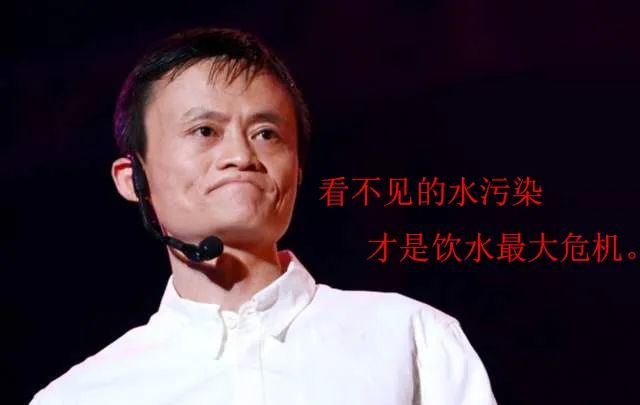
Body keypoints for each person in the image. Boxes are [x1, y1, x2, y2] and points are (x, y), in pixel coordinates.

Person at [30, 27, 497, 404]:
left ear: (297, 172)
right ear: (133, 178)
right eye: (205, 130)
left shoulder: (409, 336)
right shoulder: (82, 396)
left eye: (267, 134)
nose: (240, 155)